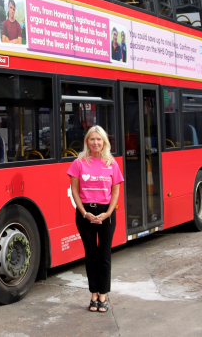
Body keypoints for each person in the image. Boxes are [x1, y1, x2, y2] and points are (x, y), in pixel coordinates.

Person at [66, 125, 123, 313]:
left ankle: (103, 296)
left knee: (104, 256)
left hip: (106, 214)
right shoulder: (79, 163)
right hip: (85, 215)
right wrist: (84, 213)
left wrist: (107, 213)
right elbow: (74, 190)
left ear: (104, 142)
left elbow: (115, 191)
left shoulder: (111, 164)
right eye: (92, 139)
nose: (95, 143)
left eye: (99, 139)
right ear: (87, 142)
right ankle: (93, 295)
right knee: (90, 255)